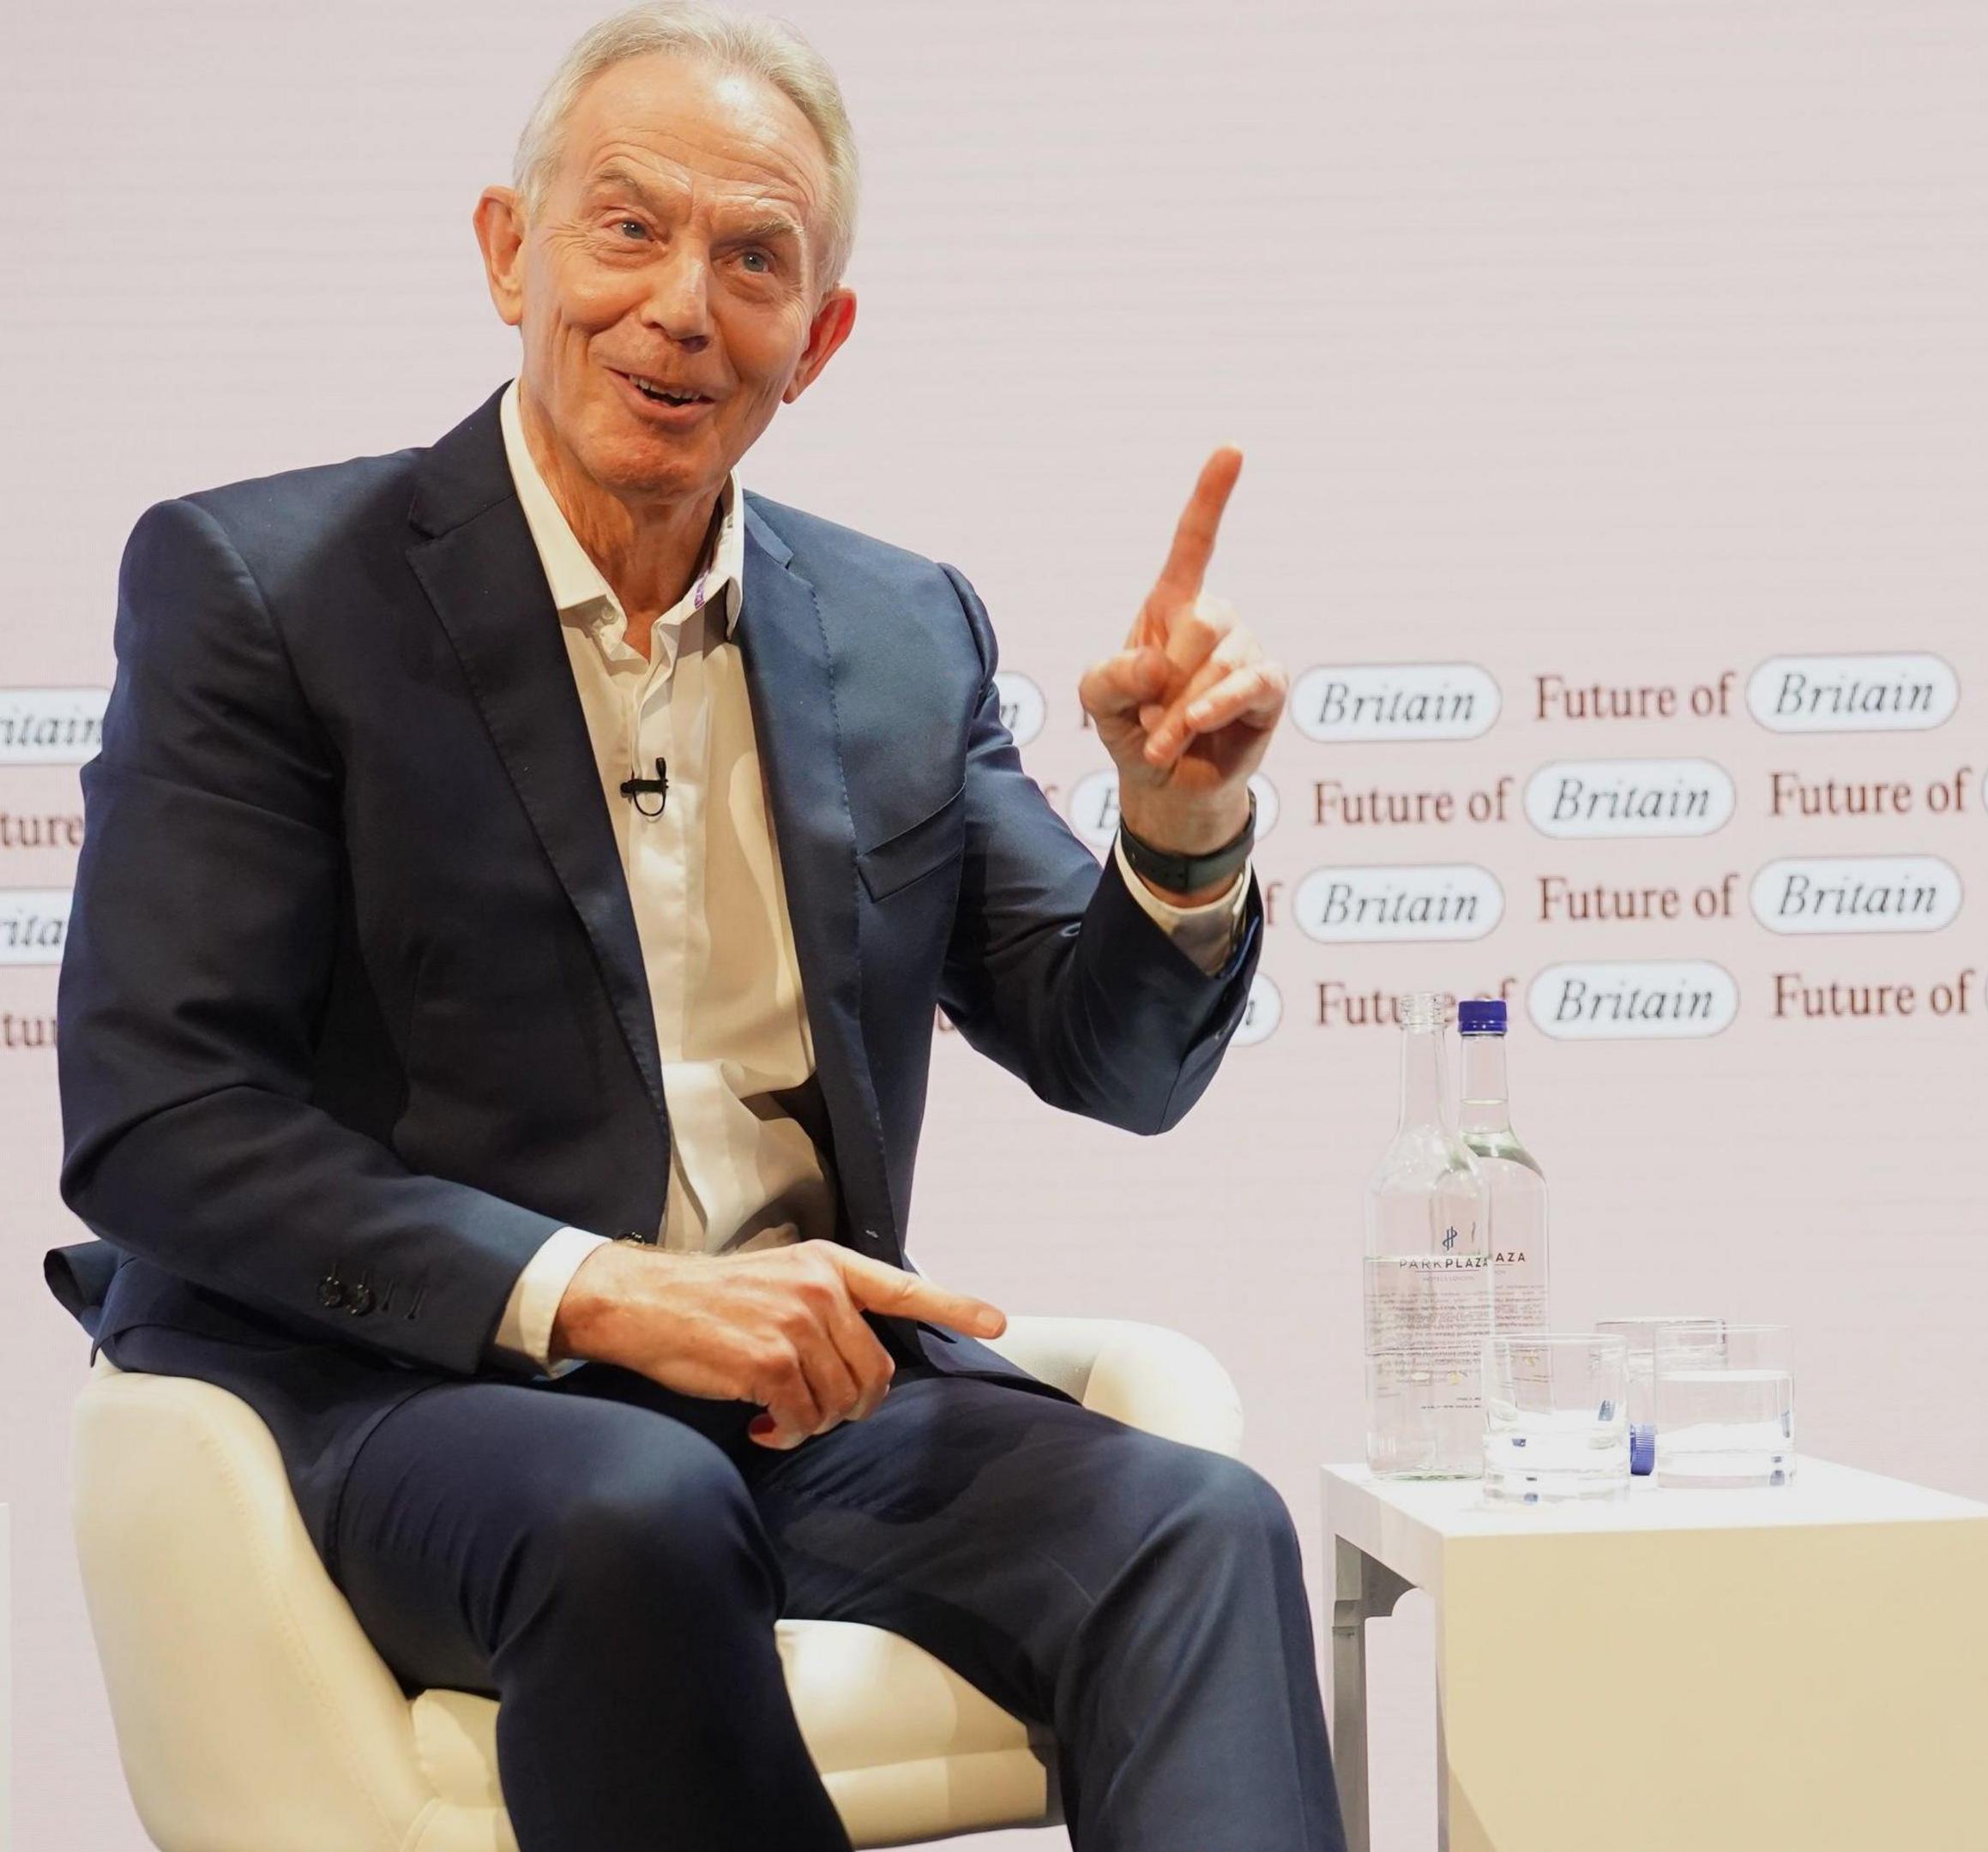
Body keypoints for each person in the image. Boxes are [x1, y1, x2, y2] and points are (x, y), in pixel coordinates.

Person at [46, 6, 1340, 1847]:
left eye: (755, 259)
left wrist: (1182, 831)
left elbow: (1109, 1053)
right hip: (416, 1392)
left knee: (1200, 1524)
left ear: (819, 339)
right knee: (631, 1510)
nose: (681, 305)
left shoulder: (901, 632)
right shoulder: (265, 593)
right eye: (627, 227)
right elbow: (160, 1121)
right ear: (511, 251)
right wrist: (610, 1296)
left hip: (809, 1413)